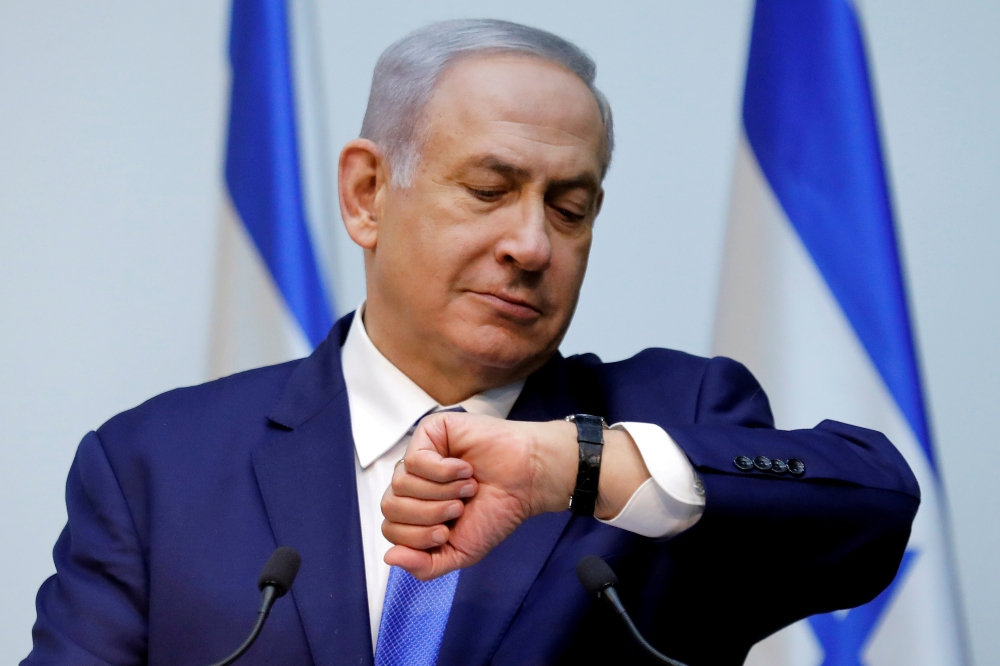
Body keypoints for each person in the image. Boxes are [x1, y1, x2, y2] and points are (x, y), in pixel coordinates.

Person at [22, 19, 919, 666]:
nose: (532, 246)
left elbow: (875, 505)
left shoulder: (668, 418)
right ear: (368, 194)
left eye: (570, 209)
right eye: (490, 190)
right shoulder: (156, 466)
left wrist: (566, 467)